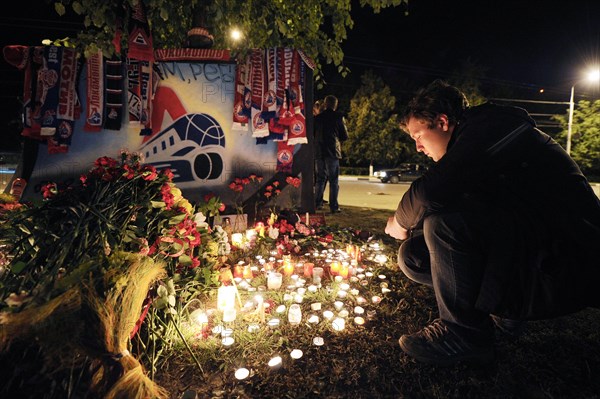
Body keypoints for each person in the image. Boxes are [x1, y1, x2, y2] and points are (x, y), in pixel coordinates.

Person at [385, 80, 600, 366]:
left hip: (569, 261)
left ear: (442, 122)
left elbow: (431, 192)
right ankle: (506, 310)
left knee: (444, 224)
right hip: (530, 251)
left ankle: (464, 335)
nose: (418, 147)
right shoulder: (476, 142)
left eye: (418, 136)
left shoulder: (489, 131)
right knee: (414, 255)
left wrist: (400, 221)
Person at [314, 95, 349, 213]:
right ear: (335, 105)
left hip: (319, 152)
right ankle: (333, 206)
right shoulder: (338, 117)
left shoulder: (317, 118)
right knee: (334, 180)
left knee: (320, 179)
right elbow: (344, 136)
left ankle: (317, 203)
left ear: (325, 104)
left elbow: (313, 134)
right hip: (332, 152)